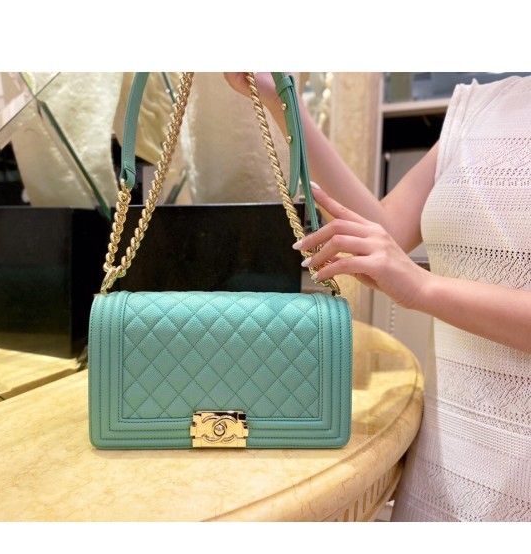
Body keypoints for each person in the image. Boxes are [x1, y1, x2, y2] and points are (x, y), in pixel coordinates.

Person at [225, 72, 531, 522]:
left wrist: (423, 287)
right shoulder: (480, 106)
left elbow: (407, 270)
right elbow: (384, 230)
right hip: (441, 464)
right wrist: (283, 102)